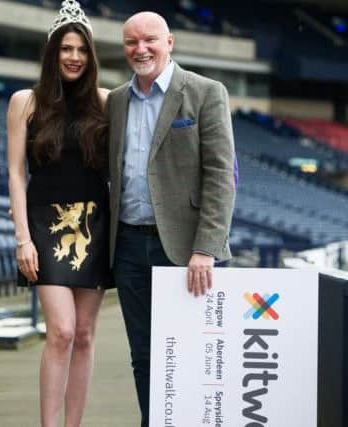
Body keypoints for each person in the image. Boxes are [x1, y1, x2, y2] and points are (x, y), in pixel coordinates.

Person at [106, 11, 236, 427]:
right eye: (131, 42)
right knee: (143, 354)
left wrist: (205, 249)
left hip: (186, 250)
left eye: (150, 40)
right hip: (127, 246)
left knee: (196, 352)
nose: (140, 49)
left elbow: (221, 175)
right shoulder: (117, 101)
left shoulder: (205, 92)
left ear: (170, 42)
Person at [7, 1, 112, 425]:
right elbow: (15, 173)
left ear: (91, 56)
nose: (74, 57)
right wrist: (22, 239)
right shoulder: (24, 102)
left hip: (94, 224)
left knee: (85, 336)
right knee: (62, 331)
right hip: (45, 227)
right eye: (66, 48)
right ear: (53, 52)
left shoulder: (107, 103)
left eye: (82, 50)